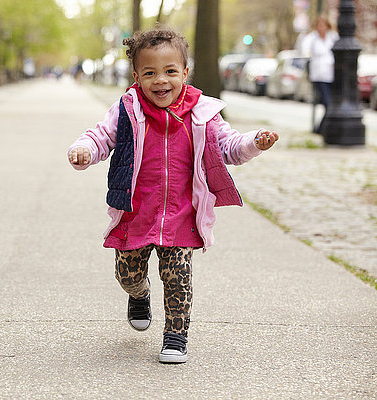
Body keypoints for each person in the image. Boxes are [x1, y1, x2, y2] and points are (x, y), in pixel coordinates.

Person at [67, 27, 279, 364]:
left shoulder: (203, 113)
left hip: (182, 214)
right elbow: (101, 135)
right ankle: (140, 294)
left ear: (185, 72)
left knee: (178, 276)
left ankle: (176, 335)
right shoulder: (127, 108)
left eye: (170, 72)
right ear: (136, 76)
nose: (160, 80)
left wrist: (254, 141)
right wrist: (84, 149)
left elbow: (229, 147)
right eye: (149, 73)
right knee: (127, 274)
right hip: (136, 213)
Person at [301, 16, 339, 133]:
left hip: (332, 75)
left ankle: (321, 129)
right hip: (319, 76)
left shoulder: (333, 37)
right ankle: (320, 129)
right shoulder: (311, 38)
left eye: (323, 25)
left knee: (332, 103)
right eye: (319, 25)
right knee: (328, 103)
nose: (321, 28)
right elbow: (304, 51)